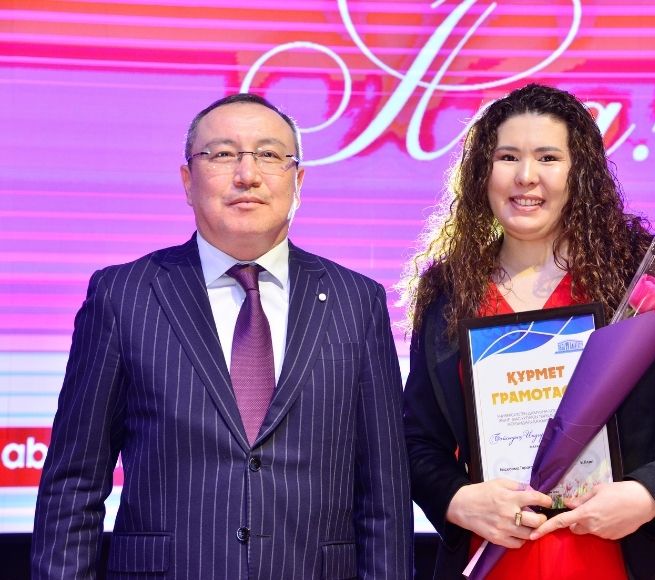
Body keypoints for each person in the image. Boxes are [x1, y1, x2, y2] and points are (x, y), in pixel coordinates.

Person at [31, 93, 413, 579]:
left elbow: (384, 494)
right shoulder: (122, 295)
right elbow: (74, 484)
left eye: (269, 154)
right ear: (187, 181)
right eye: (223, 154)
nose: (247, 174)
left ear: (298, 182)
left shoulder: (357, 301)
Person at [400, 83, 655, 579]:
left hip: (621, 558)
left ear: (578, 171)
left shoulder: (637, 272)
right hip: (495, 559)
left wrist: (647, 494)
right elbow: (416, 440)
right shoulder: (447, 289)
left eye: (548, 157)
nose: (526, 176)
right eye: (507, 157)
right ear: (481, 173)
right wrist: (457, 500)